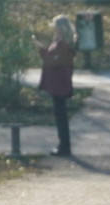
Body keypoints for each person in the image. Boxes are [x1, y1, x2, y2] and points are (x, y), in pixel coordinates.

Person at [33, 15, 76, 157]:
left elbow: (53, 61)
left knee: (61, 115)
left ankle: (64, 145)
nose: (54, 29)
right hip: (56, 84)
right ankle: (62, 144)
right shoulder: (58, 43)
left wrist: (42, 49)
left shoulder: (65, 46)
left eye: (56, 26)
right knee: (59, 115)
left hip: (60, 84)